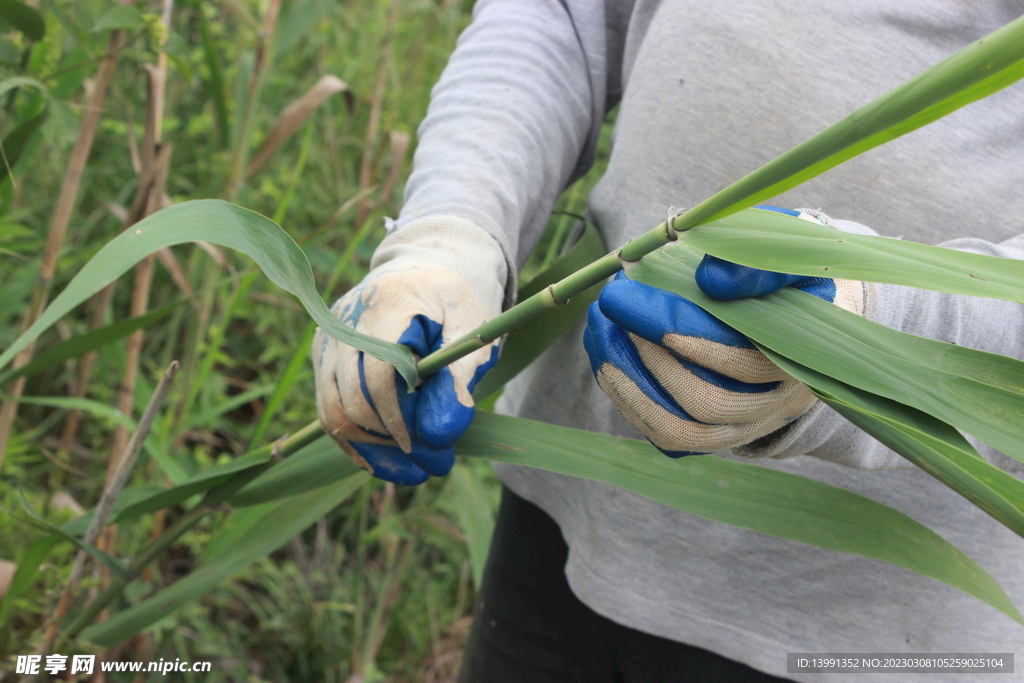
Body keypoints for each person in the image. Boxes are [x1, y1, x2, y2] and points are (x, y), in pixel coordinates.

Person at [312, 1, 1024, 681]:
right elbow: (561, 15)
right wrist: (449, 236)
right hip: (567, 521)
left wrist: (866, 344)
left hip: (887, 635)